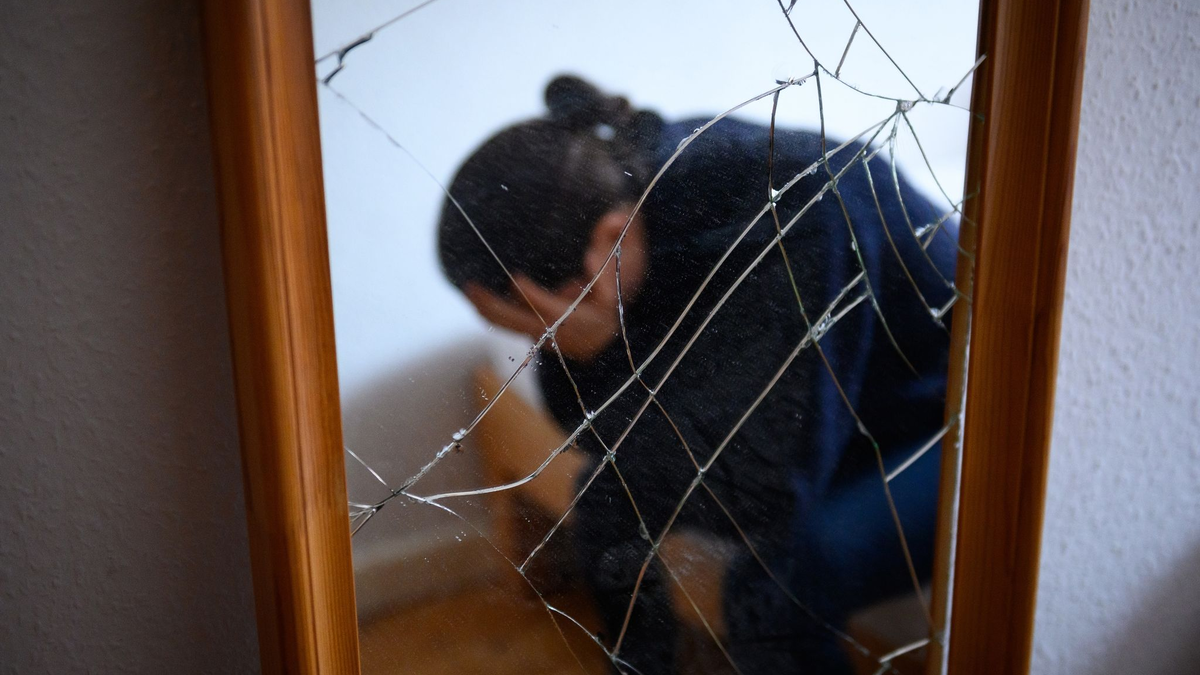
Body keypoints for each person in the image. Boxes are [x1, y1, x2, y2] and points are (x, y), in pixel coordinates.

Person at [437, 75, 957, 674]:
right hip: (840, 401)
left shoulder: (784, 207)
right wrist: (590, 347)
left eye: (535, 327)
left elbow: (768, 489)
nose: (535, 343)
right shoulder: (616, 200)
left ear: (608, 239)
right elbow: (596, 443)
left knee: (778, 587)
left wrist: (602, 351)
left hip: (943, 407)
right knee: (606, 500)